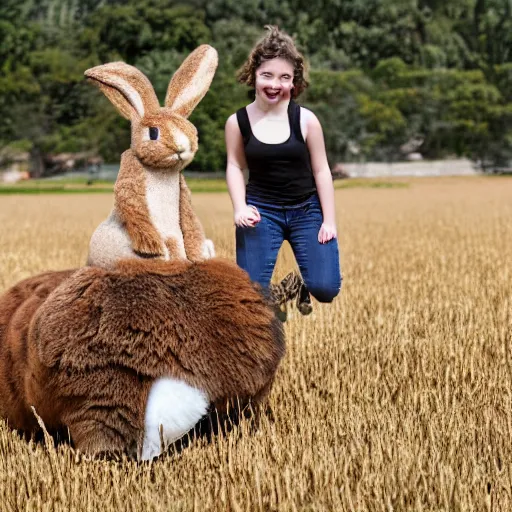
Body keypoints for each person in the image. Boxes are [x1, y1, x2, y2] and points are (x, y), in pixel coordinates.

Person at [225, 25, 342, 309]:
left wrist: (329, 221)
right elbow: (234, 166)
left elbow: (321, 171)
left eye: (284, 77)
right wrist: (240, 207)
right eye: (267, 75)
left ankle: (300, 285)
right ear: (254, 75)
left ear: (293, 82)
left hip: (306, 210)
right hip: (261, 212)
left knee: (326, 289)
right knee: (250, 295)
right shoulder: (237, 122)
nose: (275, 84)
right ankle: (280, 297)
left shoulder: (306, 121)